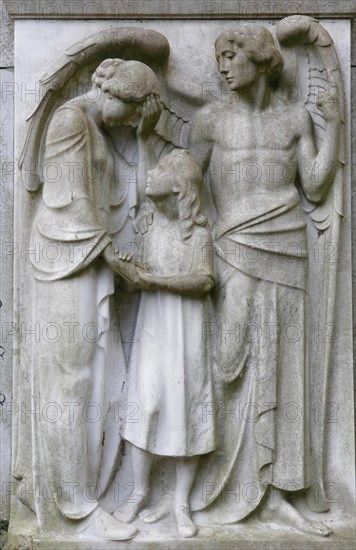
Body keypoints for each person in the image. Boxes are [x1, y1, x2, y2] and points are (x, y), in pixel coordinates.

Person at [185, 24, 340, 536]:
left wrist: (335, 127)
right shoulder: (208, 121)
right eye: (219, 58)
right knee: (229, 362)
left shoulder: (295, 119)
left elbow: (315, 185)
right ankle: (225, 485)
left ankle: (277, 495)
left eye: (231, 56)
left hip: (288, 246)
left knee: (283, 367)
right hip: (233, 249)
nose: (223, 67)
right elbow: (186, 189)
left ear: (259, 58)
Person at [27, 58, 161, 540]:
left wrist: (119, 255)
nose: (129, 126)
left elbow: (114, 201)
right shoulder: (69, 120)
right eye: (129, 115)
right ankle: (73, 503)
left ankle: (86, 491)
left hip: (87, 260)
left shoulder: (96, 128)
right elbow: (72, 203)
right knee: (71, 381)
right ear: (112, 96)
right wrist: (117, 260)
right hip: (65, 260)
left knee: (93, 377)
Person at [113, 149, 215, 538]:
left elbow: (205, 280)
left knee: (185, 408)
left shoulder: (197, 232)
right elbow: (138, 278)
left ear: (178, 185)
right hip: (154, 328)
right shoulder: (152, 226)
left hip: (186, 330)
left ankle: (180, 503)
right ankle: (140, 492)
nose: (150, 175)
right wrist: (127, 268)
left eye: (159, 170)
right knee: (146, 404)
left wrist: (155, 281)